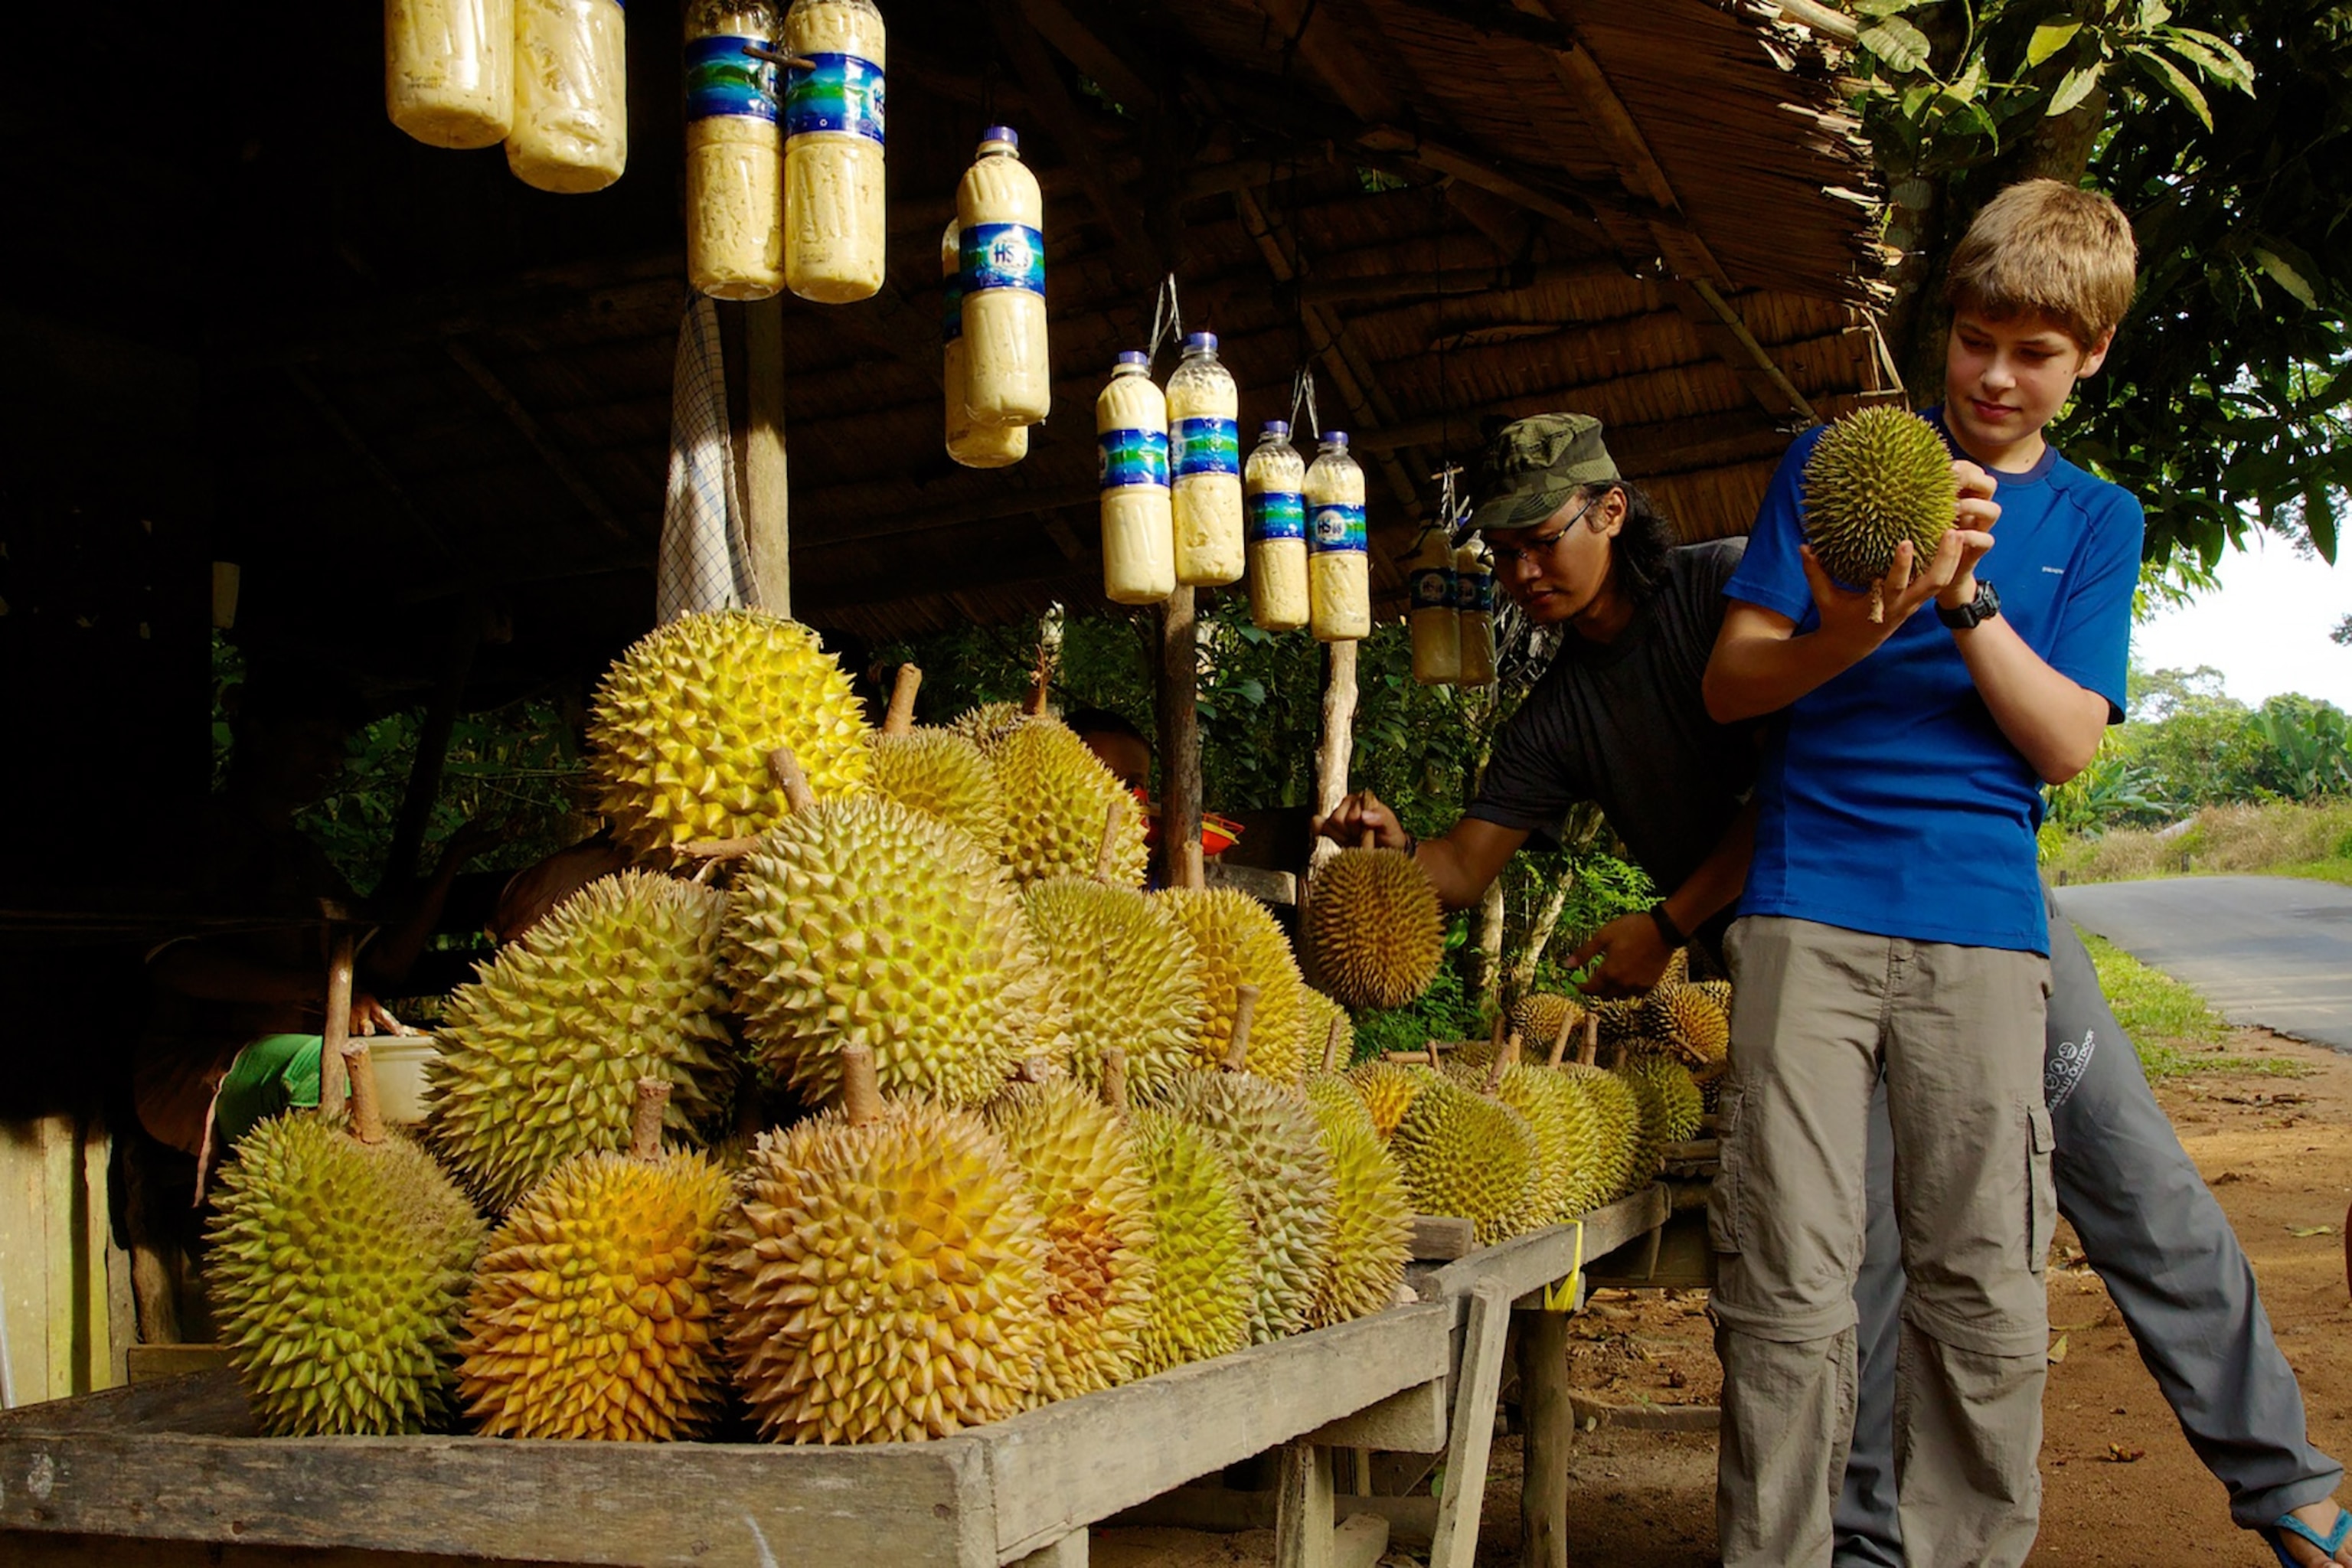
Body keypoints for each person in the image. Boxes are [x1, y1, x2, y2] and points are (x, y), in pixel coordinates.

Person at [1316, 404, 2350, 1562]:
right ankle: (1866, 1539)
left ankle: (2287, 1482)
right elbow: (1464, 862)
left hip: (1971, 923)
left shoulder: (1728, 583)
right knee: (1848, 1266)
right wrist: (1387, 856)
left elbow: (1837, 756)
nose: (1522, 571)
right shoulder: (1561, 713)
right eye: (1500, 554)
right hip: (1809, 965)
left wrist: (1668, 921)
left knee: (2134, 1182)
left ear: (1610, 510)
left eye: (1540, 538)